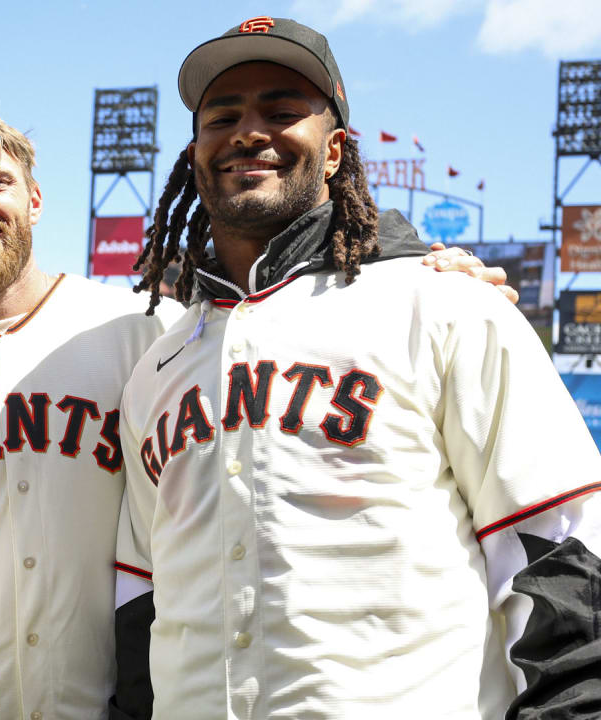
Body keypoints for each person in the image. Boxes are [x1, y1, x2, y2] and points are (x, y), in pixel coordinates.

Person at [0, 110, 510, 720]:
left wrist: (414, 261)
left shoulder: (148, 330)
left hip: (126, 703)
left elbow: (275, 315)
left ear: (34, 200)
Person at [112, 17, 601, 719]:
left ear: (336, 151)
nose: (249, 131)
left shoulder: (444, 306)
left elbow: (563, 556)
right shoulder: (156, 367)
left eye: (282, 111)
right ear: (196, 155)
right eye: (224, 115)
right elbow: (142, 604)